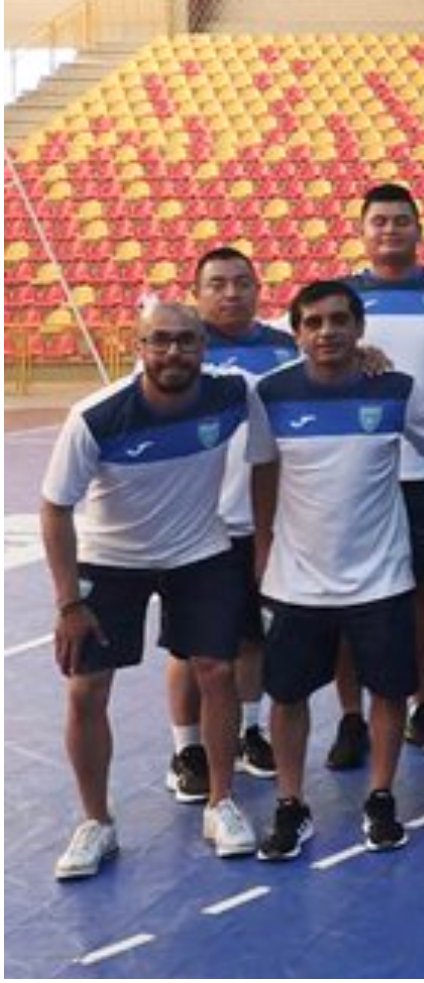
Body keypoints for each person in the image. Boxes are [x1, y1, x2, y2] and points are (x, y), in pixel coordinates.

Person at [39, 303, 275, 877]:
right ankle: (96, 821)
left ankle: (221, 802)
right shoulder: (95, 416)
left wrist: (265, 543)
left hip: (199, 552)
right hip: (110, 560)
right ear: (137, 345)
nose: (174, 352)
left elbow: (266, 461)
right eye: (160, 341)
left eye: (187, 342)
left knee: (216, 671)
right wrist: (69, 602)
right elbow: (54, 508)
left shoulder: (236, 393)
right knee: (86, 690)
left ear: (204, 347)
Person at [251, 280, 424, 861]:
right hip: (297, 578)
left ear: (359, 329)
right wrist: (264, 546)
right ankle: (291, 804)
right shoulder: (271, 394)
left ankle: (382, 797)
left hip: (382, 574)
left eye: (339, 320)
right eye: (312, 322)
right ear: (297, 334)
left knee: (390, 690)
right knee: (286, 697)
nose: (327, 331)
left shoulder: (394, 388)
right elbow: (262, 474)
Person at [342, 183, 424, 762]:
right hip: (355, 470)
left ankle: (422, 706)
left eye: (400, 221)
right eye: (379, 222)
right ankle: (351, 719)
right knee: (349, 594)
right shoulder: (341, 295)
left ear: (420, 229)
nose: (389, 230)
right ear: (363, 231)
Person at [177, 247, 296, 789]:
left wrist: (363, 353)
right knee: (189, 647)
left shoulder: (284, 347)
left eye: (241, 283)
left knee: (253, 639)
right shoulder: (177, 349)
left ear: (258, 288)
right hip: (194, 527)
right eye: (217, 284)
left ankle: (250, 731)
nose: (230, 294)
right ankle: (188, 750)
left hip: (262, 521)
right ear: (197, 293)